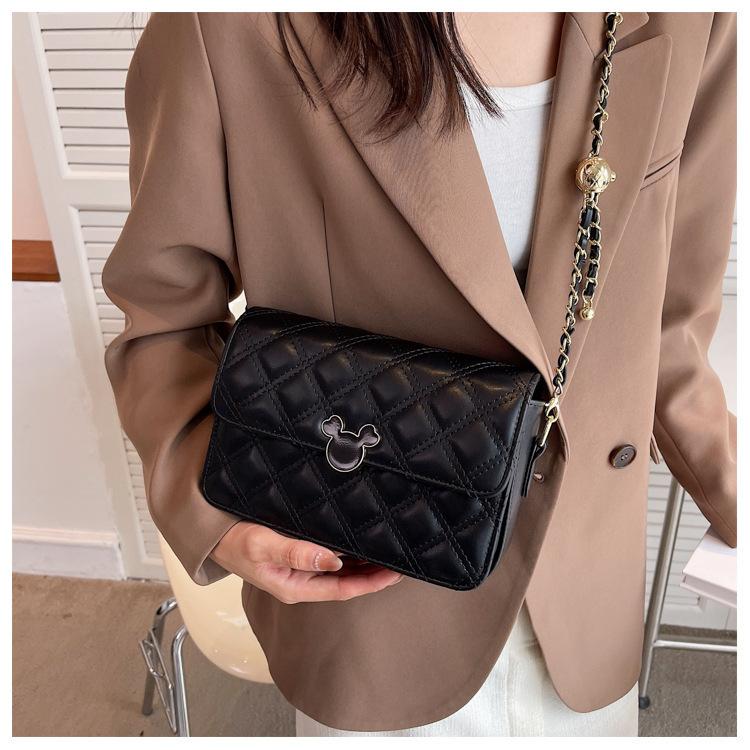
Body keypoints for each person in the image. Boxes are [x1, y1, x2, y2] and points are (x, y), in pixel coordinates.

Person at [102, 12, 737, 736]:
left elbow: (668, 326)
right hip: (368, 603)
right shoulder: (231, 25)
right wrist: (213, 516)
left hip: (587, 606)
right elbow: (165, 320)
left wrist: (730, 488)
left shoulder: (695, 17)